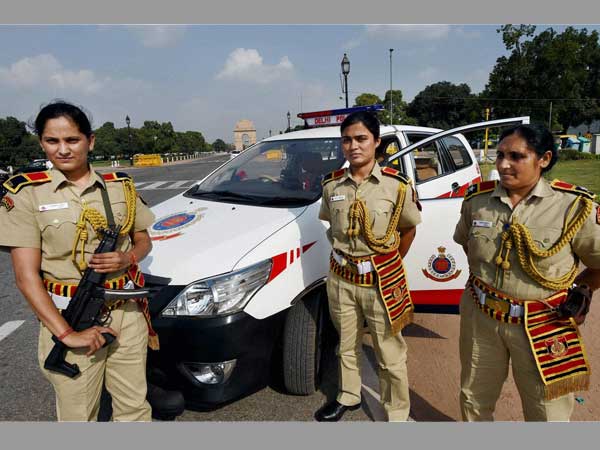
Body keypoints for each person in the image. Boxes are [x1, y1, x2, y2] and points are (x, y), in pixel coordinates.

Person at [0, 100, 157, 421]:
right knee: (78, 416)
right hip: (71, 315)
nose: (62, 150)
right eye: (51, 141)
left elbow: (144, 239)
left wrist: (127, 258)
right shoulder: (26, 193)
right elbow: (25, 276)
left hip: (125, 312)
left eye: (72, 140)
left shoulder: (120, 186)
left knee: (135, 409)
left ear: (90, 140)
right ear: (41, 142)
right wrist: (66, 334)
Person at [454, 123, 600, 421]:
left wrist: (583, 289)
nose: (504, 164)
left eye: (516, 156)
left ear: (543, 159)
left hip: (545, 321)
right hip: (481, 316)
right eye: (500, 155)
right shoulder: (477, 201)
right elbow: (468, 247)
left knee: (547, 411)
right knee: (474, 400)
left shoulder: (574, 206)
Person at [316, 111, 422, 422]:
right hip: (341, 281)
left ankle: (397, 413)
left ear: (376, 142)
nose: (353, 146)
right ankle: (348, 395)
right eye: (347, 140)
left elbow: (408, 229)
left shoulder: (397, 186)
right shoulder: (332, 185)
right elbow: (330, 227)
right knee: (345, 344)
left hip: (381, 282)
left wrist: (386, 264)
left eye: (361, 139)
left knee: (389, 353)